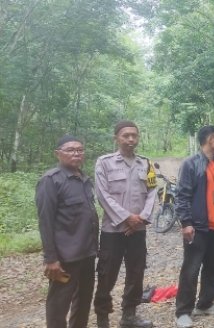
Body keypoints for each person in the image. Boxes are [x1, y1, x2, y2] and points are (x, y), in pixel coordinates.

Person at [93, 121, 156, 328]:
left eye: (134, 135)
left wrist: (142, 218)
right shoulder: (104, 163)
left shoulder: (146, 164)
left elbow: (152, 192)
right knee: (106, 275)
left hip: (138, 230)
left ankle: (129, 315)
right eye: (125, 135)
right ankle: (103, 317)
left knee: (136, 273)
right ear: (116, 138)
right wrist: (127, 218)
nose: (130, 139)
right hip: (113, 231)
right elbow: (102, 195)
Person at [35, 135, 99, 328]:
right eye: (70, 150)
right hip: (65, 257)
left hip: (87, 253)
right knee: (58, 305)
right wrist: (51, 259)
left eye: (80, 150)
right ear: (58, 153)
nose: (76, 153)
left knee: (84, 300)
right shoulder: (50, 181)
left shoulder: (84, 179)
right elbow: (45, 222)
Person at [174, 125, 214, 328]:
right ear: (209, 139)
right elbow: (182, 196)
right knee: (191, 269)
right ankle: (182, 311)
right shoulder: (191, 164)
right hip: (197, 227)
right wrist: (186, 223)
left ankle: (205, 304)